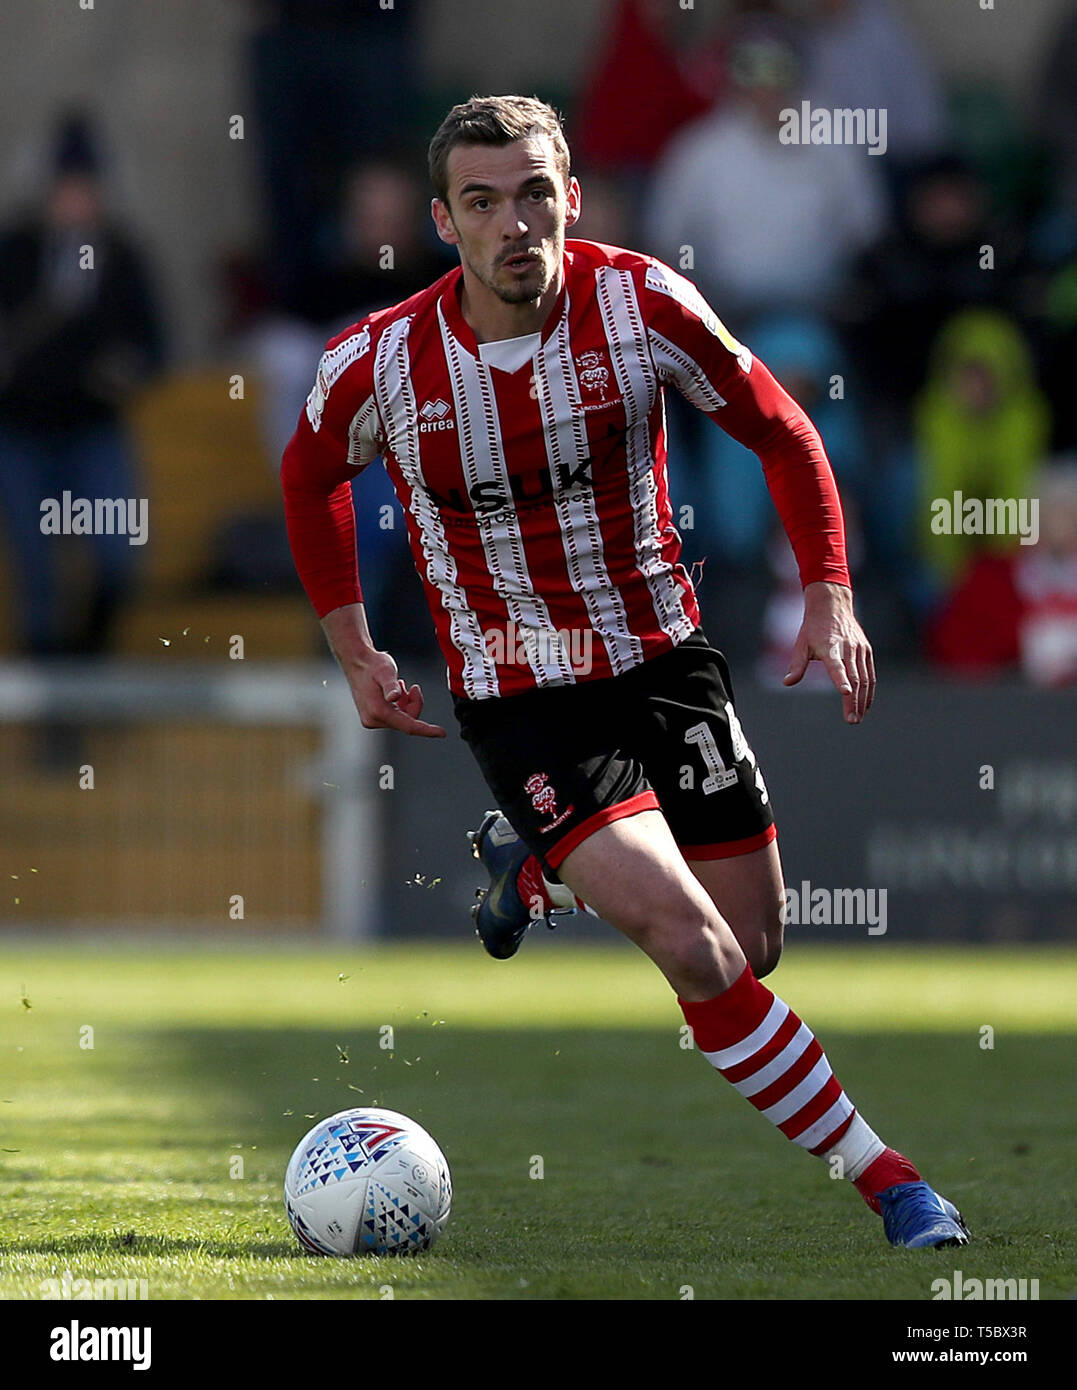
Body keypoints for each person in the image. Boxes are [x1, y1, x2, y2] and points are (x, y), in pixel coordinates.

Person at [281, 95, 969, 1250]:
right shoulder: (383, 362)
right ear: (445, 223)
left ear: (573, 198)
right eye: (485, 202)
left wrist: (830, 592)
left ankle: (537, 869)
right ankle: (892, 1180)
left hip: (663, 659)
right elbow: (309, 480)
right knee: (692, 949)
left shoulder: (643, 304)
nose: (517, 224)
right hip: (519, 696)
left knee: (748, 950)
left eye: (536, 193)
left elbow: (782, 429)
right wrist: (354, 645)